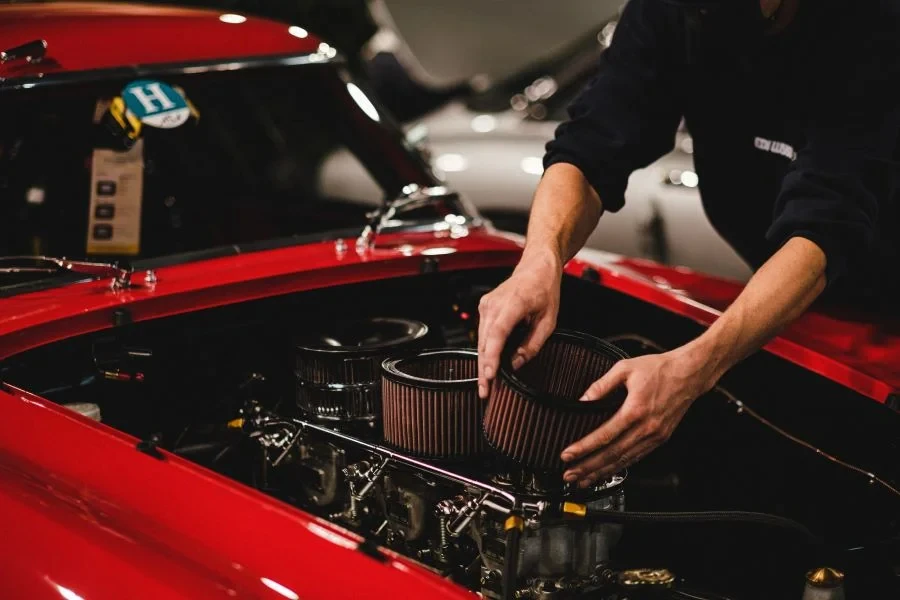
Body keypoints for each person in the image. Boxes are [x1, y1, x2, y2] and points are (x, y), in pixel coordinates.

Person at [476, 0, 900, 489]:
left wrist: (693, 370)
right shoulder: (673, 10)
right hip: (804, 304)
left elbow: (825, 223)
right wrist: (539, 260)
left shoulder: (872, 26)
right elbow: (589, 149)